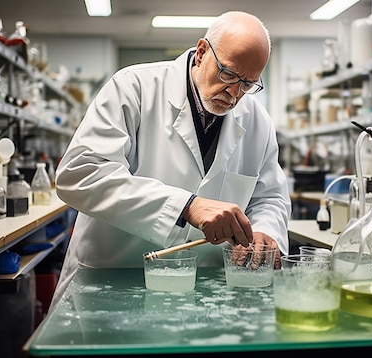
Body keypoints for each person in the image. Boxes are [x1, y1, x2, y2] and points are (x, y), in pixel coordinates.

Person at [50, 11, 291, 307]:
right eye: (227, 74)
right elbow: (80, 174)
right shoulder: (134, 88)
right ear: (202, 52)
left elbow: (270, 198)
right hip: (114, 283)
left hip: (205, 292)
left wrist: (266, 230)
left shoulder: (256, 120)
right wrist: (186, 206)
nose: (234, 93)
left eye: (248, 84)